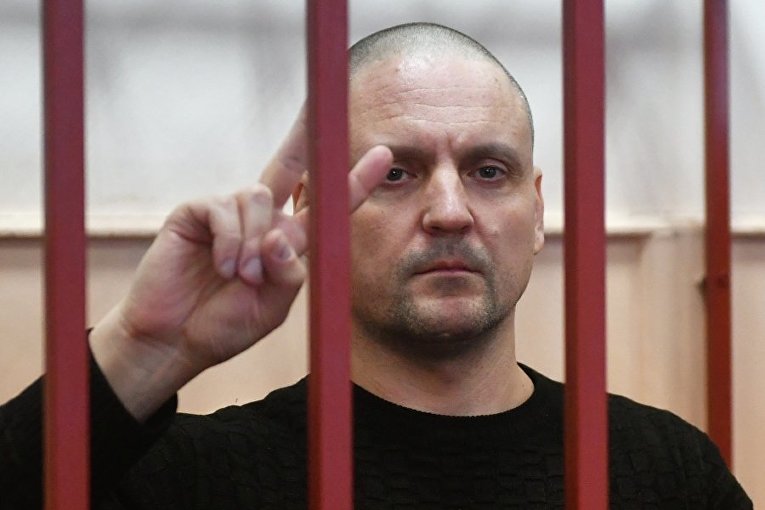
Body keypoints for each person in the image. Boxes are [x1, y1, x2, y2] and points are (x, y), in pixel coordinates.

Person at [0, 22, 752, 509]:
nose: (449, 210)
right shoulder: (199, 479)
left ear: (536, 211)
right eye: (394, 173)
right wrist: (141, 350)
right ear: (312, 212)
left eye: (489, 171)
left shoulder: (664, 473)